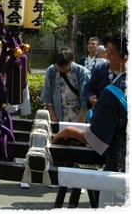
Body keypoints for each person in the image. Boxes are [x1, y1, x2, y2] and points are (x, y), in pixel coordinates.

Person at [53, 33, 127, 207]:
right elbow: (88, 89)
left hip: (120, 168)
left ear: (125, 57)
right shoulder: (104, 73)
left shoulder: (114, 93)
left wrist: (70, 131)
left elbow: (97, 140)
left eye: (110, 52)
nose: (106, 56)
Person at [41, 47, 90, 123]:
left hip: (79, 113)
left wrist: (82, 116)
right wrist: (52, 115)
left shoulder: (82, 72)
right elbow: (47, 93)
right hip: (59, 113)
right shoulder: (51, 70)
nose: (61, 68)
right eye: (58, 65)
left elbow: (86, 96)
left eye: (64, 65)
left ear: (71, 60)